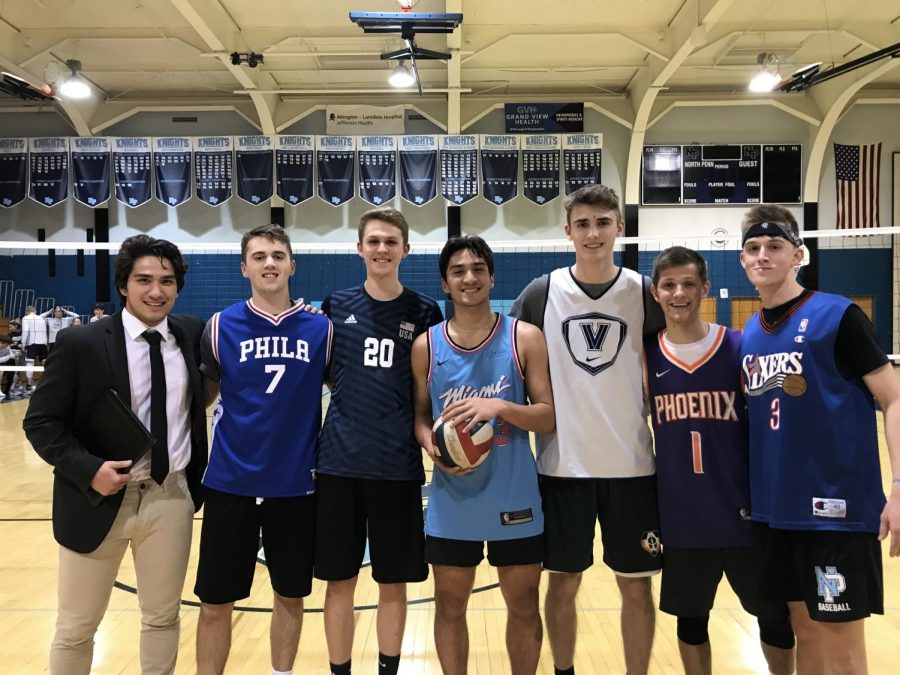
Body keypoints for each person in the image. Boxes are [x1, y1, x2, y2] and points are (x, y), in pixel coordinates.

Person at [22, 234, 208, 674]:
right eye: (144, 280)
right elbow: (41, 423)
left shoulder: (192, 335)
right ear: (123, 284)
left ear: (178, 286)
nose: (156, 291)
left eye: (166, 280)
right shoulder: (80, 343)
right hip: (97, 499)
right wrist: (88, 471)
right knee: (76, 626)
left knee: (162, 618)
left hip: (169, 497)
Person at [509, 184, 664, 675]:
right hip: (562, 467)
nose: (593, 233)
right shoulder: (542, 292)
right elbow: (508, 359)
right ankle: (564, 670)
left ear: (620, 227)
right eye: (583, 224)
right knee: (562, 584)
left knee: (636, 585)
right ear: (568, 231)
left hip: (633, 467)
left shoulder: (644, 292)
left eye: (602, 222)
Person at [738, 205, 900, 675]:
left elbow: (893, 400)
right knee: (804, 629)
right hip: (774, 515)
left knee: (843, 647)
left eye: (774, 247)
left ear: (798, 256)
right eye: (753, 248)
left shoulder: (839, 315)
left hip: (835, 514)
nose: (762, 256)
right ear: (744, 260)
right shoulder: (750, 332)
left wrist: (898, 487)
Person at [644, 246, 795, 675]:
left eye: (689, 284)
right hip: (683, 516)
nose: (679, 293)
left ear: (705, 288)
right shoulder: (646, 355)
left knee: (773, 616)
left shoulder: (740, 347)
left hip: (744, 512)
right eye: (669, 285)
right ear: (656, 292)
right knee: (692, 620)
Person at [411, 236, 555, 675]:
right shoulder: (426, 346)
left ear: (491, 277)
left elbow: (547, 416)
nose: (469, 278)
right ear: (445, 283)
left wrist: (500, 407)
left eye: (477, 269)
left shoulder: (524, 337)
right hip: (454, 499)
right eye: (458, 271)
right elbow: (418, 417)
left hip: (515, 497)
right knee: (450, 607)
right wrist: (430, 444)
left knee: (525, 607)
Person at [195, 224, 332, 675]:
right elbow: (202, 398)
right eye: (258, 256)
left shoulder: (321, 329)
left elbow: (345, 395)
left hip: (294, 486)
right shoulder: (219, 326)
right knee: (216, 600)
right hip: (229, 484)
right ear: (244, 268)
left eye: (277, 255)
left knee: (290, 595)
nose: (269, 263)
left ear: (293, 264)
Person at [315, 208, 443, 675]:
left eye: (391, 242)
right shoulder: (335, 304)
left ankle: (389, 669)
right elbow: (330, 376)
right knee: (339, 581)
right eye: (374, 241)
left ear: (405, 250)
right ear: (360, 249)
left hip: (397, 466)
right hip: (338, 465)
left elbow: (426, 388)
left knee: (393, 582)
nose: (382, 249)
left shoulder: (424, 311)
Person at [21, 304, 49, 389]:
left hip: (32, 343)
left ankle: (29, 384)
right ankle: (47, 382)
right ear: (35, 311)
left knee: (29, 362)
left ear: (26, 312)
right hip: (43, 343)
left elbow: (26, 330)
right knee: (45, 363)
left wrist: (23, 343)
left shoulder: (25, 318)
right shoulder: (41, 318)